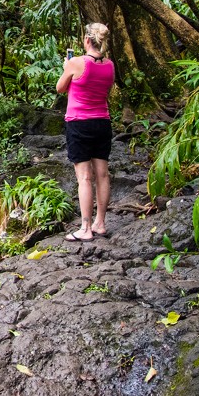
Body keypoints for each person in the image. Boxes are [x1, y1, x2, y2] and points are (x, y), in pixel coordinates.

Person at [56, 22, 115, 242]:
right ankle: (101, 223)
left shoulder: (76, 63)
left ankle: (85, 227)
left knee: (84, 177)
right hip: (102, 122)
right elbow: (105, 88)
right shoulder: (109, 65)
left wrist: (67, 68)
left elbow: (60, 88)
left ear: (87, 40)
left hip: (79, 123)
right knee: (102, 174)